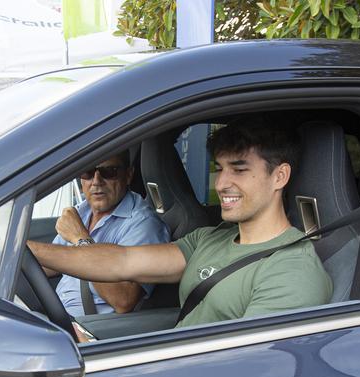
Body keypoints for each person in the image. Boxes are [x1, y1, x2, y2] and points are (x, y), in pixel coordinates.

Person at [29, 117, 332, 330]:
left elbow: (252, 372)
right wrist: (17, 247)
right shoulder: (210, 238)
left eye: (239, 169)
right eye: (220, 168)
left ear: (279, 176)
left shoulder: (291, 270)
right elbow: (122, 261)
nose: (222, 182)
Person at [48, 150, 169, 317]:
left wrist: (81, 239)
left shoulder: (143, 224)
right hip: (56, 314)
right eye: (87, 172)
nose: (96, 182)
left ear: (128, 175)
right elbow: (50, 264)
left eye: (108, 172)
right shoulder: (82, 211)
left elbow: (124, 300)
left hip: (88, 330)